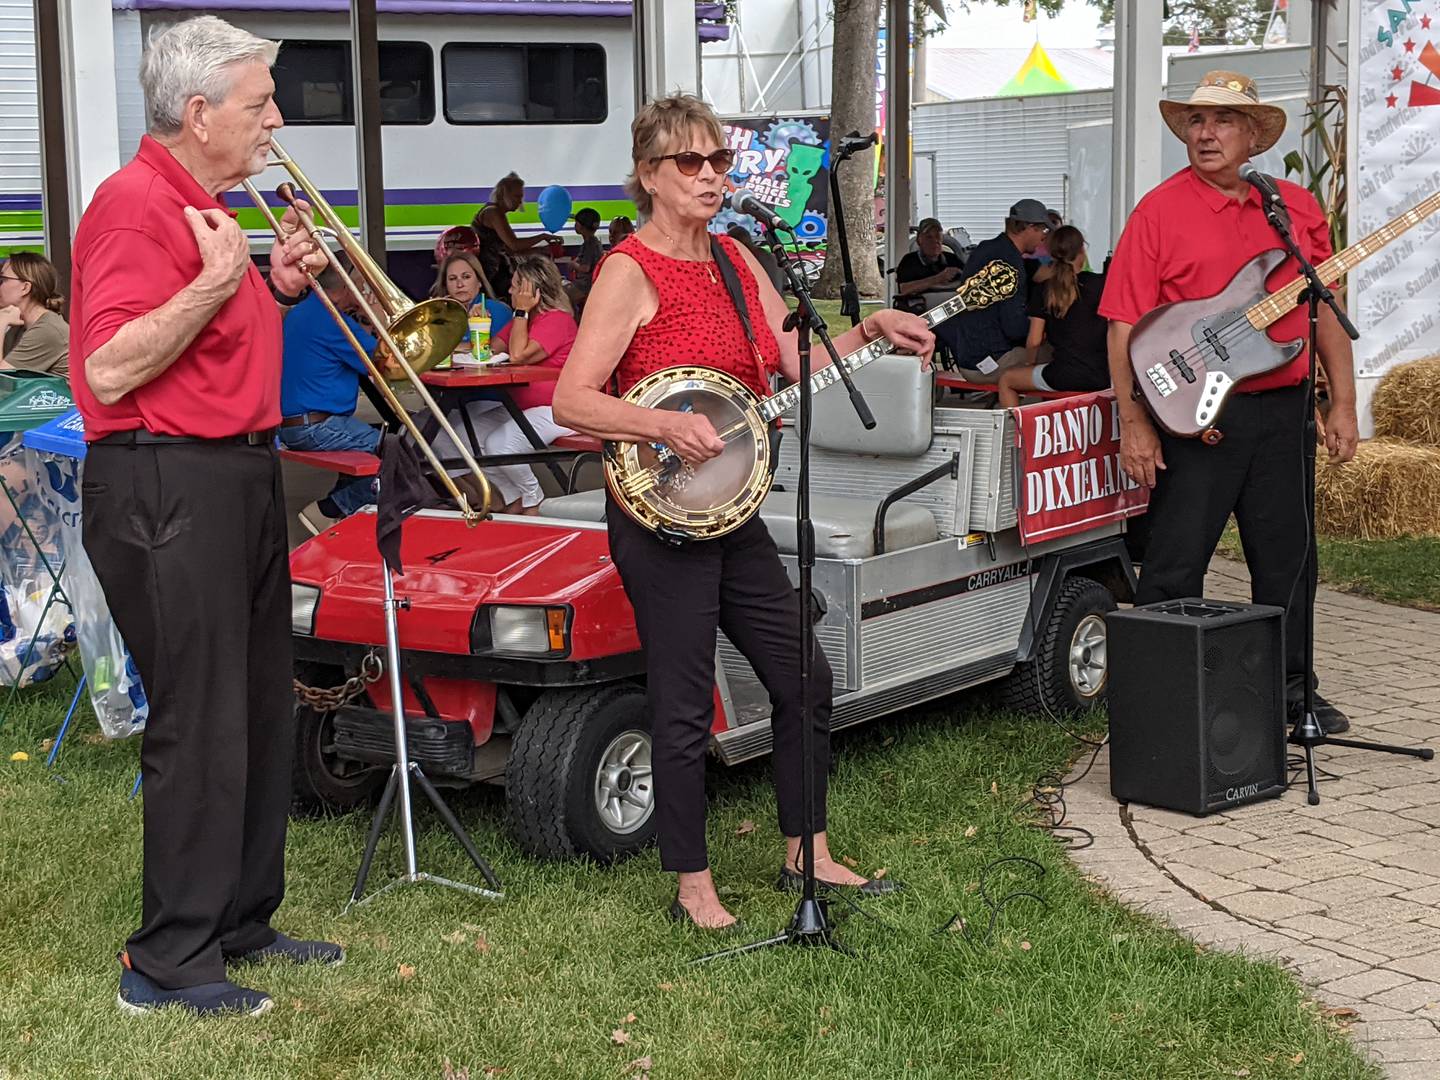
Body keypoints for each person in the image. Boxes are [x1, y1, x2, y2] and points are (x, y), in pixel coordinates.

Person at [553, 93, 933, 931]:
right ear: (649, 175)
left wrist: (869, 327)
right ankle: (692, 881)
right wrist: (663, 424)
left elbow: (788, 362)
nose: (710, 176)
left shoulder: (734, 258)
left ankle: (808, 847)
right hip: (659, 514)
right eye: (690, 163)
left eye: (719, 161)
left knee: (805, 673)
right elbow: (571, 400)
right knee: (685, 701)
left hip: (734, 510)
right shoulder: (629, 270)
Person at [68, 16, 340, 1017]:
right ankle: (166, 962)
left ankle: (238, 921)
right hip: (164, 485)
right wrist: (220, 281)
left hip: (230, 475)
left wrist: (266, 287)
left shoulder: (206, 206)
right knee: (202, 717)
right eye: (259, 102)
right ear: (200, 113)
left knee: (261, 702)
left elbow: (207, 345)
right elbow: (108, 365)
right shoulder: (137, 207)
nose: (274, 119)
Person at [1100, 70, 1359, 734]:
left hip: (1283, 411)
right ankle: (1160, 706)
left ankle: (1293, 697)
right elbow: (1123, 322)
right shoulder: (1158, 210)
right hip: (1200, 420)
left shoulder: (1294, 208)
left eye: (1221, 121)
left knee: (1290, 562)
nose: (1205, 133)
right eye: (1195, 121)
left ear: (1252, 137)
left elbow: (1325, 309)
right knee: (1175, 563)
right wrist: (1133, 421)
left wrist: (1343, 402)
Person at [432, 254, 577, 514]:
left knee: (500, 445)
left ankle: (534, 499)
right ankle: (513, 498)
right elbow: (485, 354)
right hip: (520, 407)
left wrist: (521, 310)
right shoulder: (521, 321)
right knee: (451, 437)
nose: (509, 290)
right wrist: (479, 327)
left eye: (515, 285)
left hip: (556, 408)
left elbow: (519, 354)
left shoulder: (556, 319)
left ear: (530, 290)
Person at [278, 263, 381, 534]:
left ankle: (346, 520)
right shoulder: (335, 322)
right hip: (317, 426)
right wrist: (377, 316)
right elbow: (383, 360)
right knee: (399, 454)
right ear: (347, 288)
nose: (362, 290)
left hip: (293, 425)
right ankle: (329, 510)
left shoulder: (303, 312)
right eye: (359, 284)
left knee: (369, 446)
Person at [938, 198, 1050, 382]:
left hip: (967, 358)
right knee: (1058, 359)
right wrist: (1043, 328)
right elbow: (1015, 328)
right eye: (1042, 230)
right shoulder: (1011, 266)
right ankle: (1023, 409)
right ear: (1029, 227)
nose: (1043, 237)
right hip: (992, 362)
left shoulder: (986, 248)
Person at [999, 225, 1110, 407]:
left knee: (1007, 380)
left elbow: (1034, 340)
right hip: (1101, 375)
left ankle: (1016, 434)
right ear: (1082, 251)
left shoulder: (1044, 289)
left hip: (1062, 374)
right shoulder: (1102, 285)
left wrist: (1030, 363)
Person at [471, 172, 560, 298]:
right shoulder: (493, 213)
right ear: (505, 195)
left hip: (494, 271)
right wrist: (542, 237)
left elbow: (509, 250)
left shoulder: (496, 212)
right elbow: (514, 245)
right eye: (517, 196)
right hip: (491, 273)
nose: (520, 201)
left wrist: (539, 250)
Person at [0, 252, 69, 377]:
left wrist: (0, 322)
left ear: (25, 288)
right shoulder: (20, 327)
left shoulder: (47, 330)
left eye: (3, 280)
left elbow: (3, 383)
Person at [432, 251, 513, 337]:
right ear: (445, 284)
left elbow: (492, 348)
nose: (459, 284)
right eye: (452, 279)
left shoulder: (497, 309)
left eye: (466, 277)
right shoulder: (439, 315)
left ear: (479, 281)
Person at [894, 217, 963, 315]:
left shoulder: (952, 259)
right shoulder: (909, 261)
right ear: (919, 240)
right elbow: (905, 289)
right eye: (929, 237)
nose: (935, 241)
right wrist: (939, 278)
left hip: (952, 309)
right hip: (922, 310)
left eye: (937, 236)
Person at [569, 207, 604, 300]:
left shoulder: (590, 244)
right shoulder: (593, 242)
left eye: (576, 223)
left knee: (562, 298)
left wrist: (572, 264)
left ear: (582, 226)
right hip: (587, 284)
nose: (574, 225)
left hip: (585, 286)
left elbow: (585, 268)